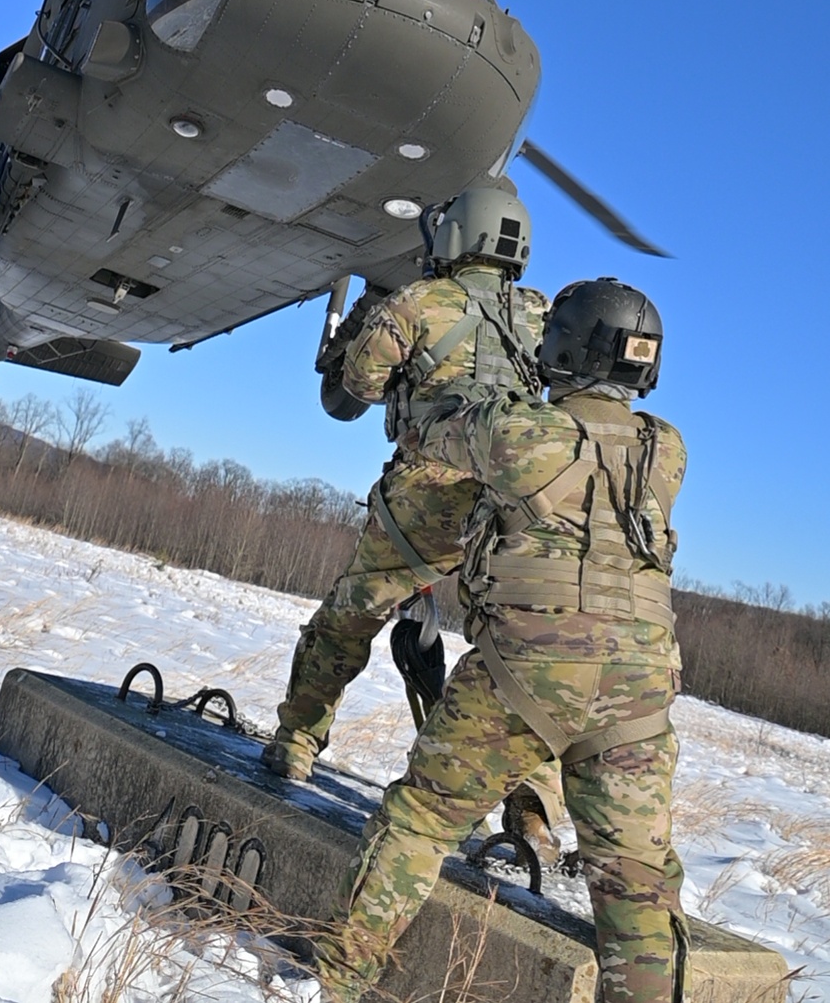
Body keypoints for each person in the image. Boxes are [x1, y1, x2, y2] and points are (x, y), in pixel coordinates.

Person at [312, 276, 687, 1003]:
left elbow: (432, 431)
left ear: (568, 351)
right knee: (638, 890)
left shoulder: (517, 434)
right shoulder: (666, 450)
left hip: (526, 675)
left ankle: (340, 977)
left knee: (420, 819)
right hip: (638, 697)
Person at [261, 180, 564, 856]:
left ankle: (296, 745)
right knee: (511, 660)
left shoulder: (421, 302)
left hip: (423, 505)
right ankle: (531, 810)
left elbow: (359, 387)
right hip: (510, 508)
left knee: (346, 620)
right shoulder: (540, 314)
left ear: (459, 235)